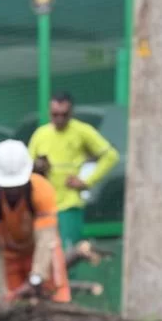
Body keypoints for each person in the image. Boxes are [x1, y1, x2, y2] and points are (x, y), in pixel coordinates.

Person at [0, 139, 69, 304]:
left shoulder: (42, 191)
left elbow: (46, 238)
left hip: (42, 252)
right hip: (8, 257)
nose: (12, 190)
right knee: (0, 302)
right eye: (7, 187)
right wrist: (0, 290)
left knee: (56, 299)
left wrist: (37, 276)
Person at [27, 92, 119, 249]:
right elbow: (27, 166)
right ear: (49, 113)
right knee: (44, 251)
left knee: (68, 252)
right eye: (55, 114)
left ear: (71, 113)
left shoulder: (82, 131)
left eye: (64, 115)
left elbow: (111, 156)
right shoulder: (40, 134)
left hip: (70, 204)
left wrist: (86, 181)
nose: (59, 119)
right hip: (43, 205)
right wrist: (38, 167)